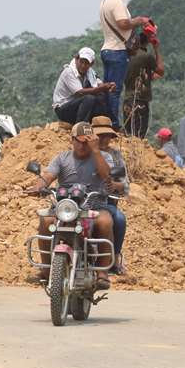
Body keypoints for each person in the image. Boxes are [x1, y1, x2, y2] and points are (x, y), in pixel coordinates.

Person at [31, 122, 115, 288]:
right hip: (66, 207)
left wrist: (96, 150)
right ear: (72, 140)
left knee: (106, 222)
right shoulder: (62, 158)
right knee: (46, 221)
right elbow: (48, 175)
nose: (83, 145)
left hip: (94, 207)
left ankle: (102, 272)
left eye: (87, 142)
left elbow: (107, 176)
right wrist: (38, 186)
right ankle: (47, 269)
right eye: (79, 141)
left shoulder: (103, 157)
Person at [100, 0, 150, 130]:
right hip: (117, 51)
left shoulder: (106, 0)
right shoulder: (117, 2)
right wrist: (140, 20)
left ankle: (105, 120)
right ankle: (113, 123)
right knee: (115, 90)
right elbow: (123, 23)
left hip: (108, 48)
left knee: (107, 89)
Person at [91, 116, 129, 274]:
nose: (104, 139)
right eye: (100, 135)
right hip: (79, 200)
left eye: (107, 135)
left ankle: (114, 257)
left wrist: (115, 185)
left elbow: (124, 185)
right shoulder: (82, 152)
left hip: (103, 201)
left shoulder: (115, 157)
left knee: (119, 220)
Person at [52, 47, 114, 124]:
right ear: (76, 59)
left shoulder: (90, 72)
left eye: (86, 63)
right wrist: (101, 88)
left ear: (91, 64)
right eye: (81, 62)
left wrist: (109, 86)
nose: (83, 65)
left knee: (101, 96)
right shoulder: (69, 72)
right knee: (89, 98)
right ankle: (80, 126)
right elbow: (80, 92)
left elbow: (99, 84)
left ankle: (103, 124)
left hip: (78, 107)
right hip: (63, 109)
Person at [122, 33, 165, 138]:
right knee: (139, 136)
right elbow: (161, 71)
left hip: (127, 100)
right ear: (147, 43)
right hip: (140, 101)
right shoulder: (146, 56)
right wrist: (156, 49)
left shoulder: (126, 57)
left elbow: (143, 75)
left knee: (129, 134)